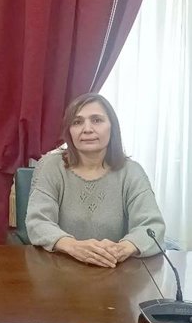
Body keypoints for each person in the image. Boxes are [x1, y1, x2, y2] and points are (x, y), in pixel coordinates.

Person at [25, 93, 164, 266]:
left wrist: (121, 249)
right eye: (77, 122)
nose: (87, 129)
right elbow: (38, 222)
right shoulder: (50, 166)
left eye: (97, 120)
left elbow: (152, 226)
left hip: (115, 268)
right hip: (60, 267)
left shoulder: (132, 171)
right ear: (69, 131)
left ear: (112, 127)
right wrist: (74, 247)